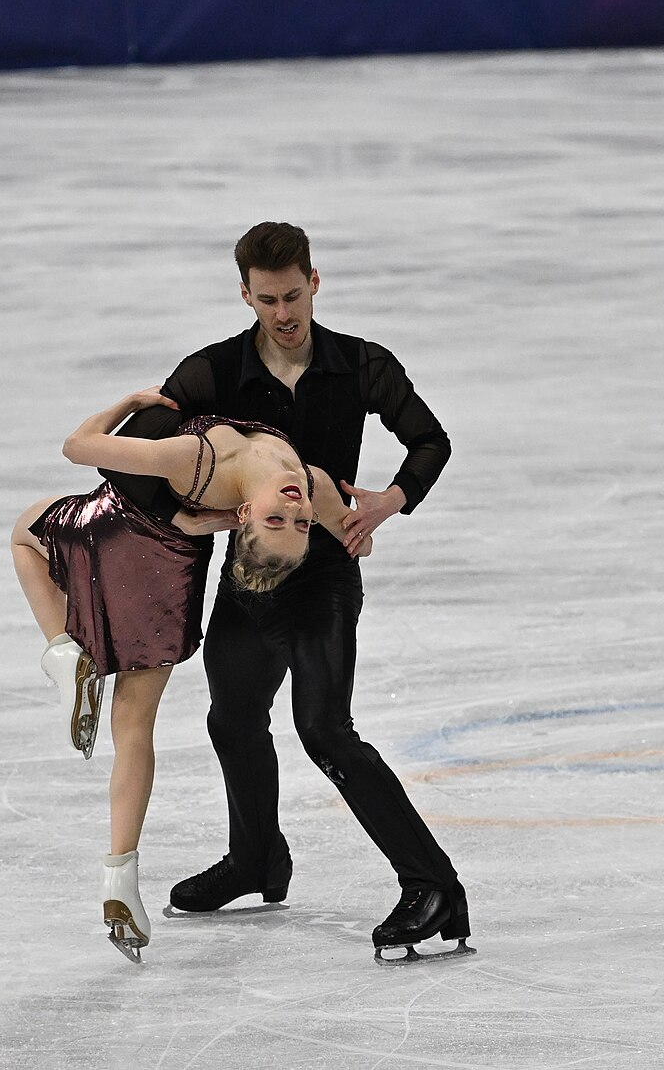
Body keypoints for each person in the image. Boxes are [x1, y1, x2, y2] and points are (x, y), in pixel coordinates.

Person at [108, 222, 471, 965]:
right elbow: (132, 465)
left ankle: (434, 886)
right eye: (268, 299)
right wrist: (192, 518)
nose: (284, 313)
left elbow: (430, 440)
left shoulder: (362, 364)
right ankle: (256, 859)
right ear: (245, 294)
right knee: (232, 716)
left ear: (315, 282)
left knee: (324, 729)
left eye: (294, 295)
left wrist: (389, 500)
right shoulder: (212, 370)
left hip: (324, 579)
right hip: (246, 577)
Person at [10, 387, 368, 963]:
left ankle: (61, 653)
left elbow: (77, 446)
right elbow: (357, 539)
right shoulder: (314, 487)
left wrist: (128, 404)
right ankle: (119, 875)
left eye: (285, 521)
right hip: (167, 580)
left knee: (24, 535)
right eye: (294, 521)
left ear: (243, 519)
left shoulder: (197, 459)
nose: (296, 510)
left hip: (113, 528)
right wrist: (360, 515)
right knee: (132, 724)